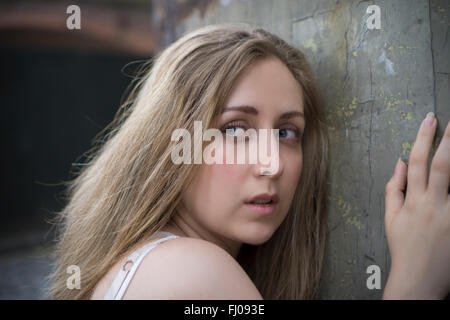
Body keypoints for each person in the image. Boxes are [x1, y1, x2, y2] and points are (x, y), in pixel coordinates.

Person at [46, 23, 450, 300]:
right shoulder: (193, 272)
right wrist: (416, 282)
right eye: (235, 130)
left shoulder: (141, 263)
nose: (271, 164)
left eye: (286, 132)